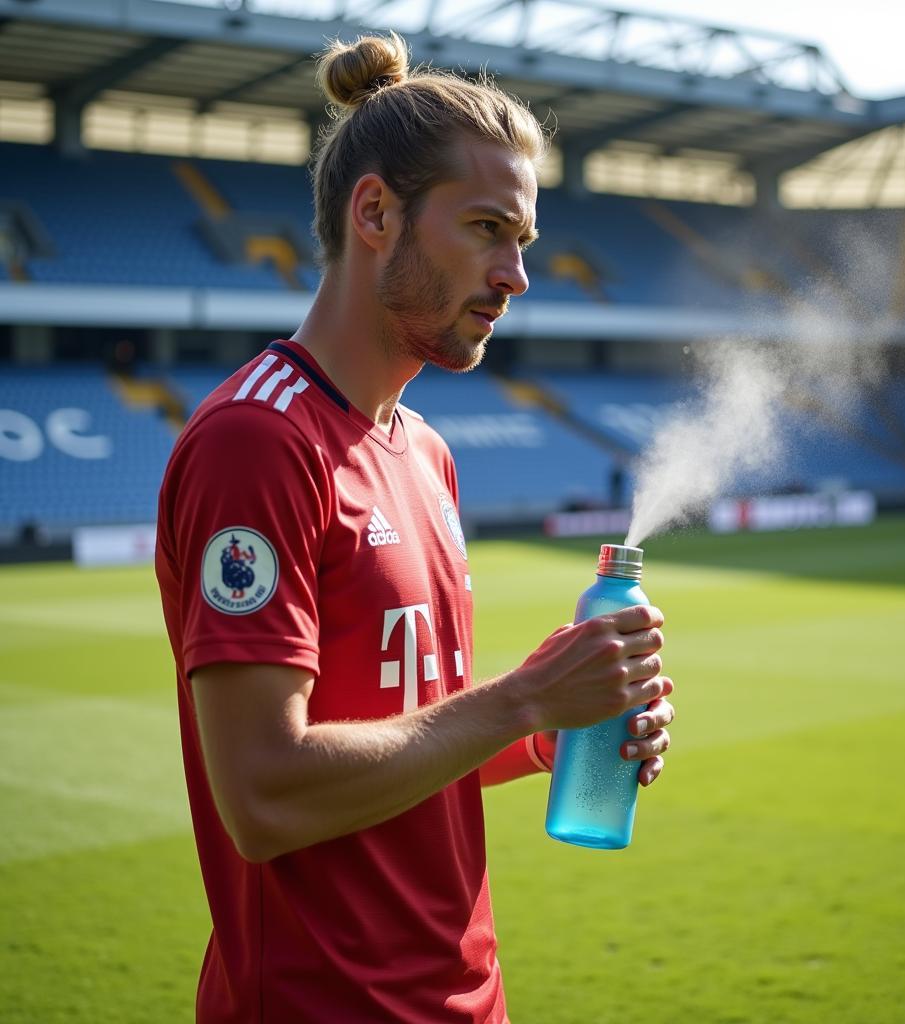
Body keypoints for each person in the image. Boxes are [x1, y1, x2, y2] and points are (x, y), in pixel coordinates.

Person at [155, 31, 674, 1023]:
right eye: (487, 229)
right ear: (377, 213)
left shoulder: (425, 449)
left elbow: (410, 739)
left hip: (465, 1001)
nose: (516, 274)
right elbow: (266, 798)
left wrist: (552, 731)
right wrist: (521, 699)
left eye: (521, 239)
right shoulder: (255, 443)